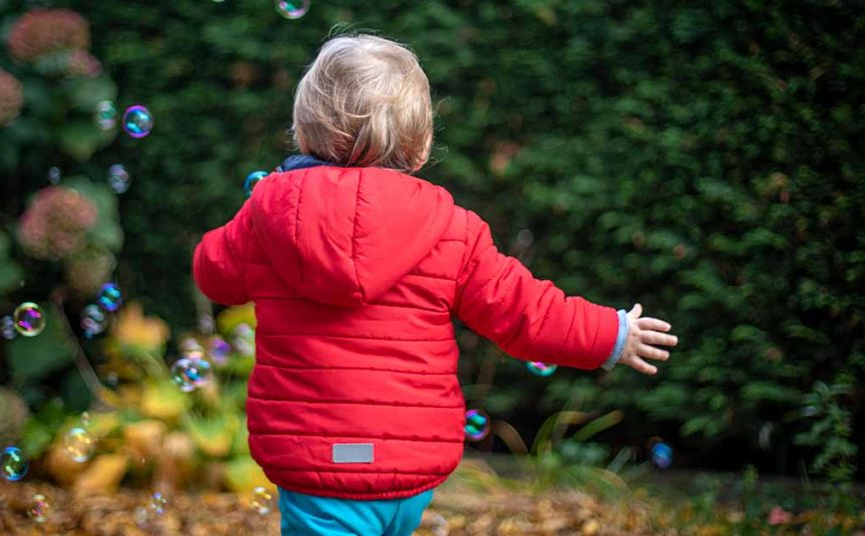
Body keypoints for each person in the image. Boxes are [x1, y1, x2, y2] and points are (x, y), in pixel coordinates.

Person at [193, 33, 678, 536]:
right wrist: (610, 332)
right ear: (421, 146)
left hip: (313, 459)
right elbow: (525, 309)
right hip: (411, 459)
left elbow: (214, 275)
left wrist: (254, 210)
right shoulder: (452, 228)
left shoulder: (266, 215)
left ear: (302, 131)